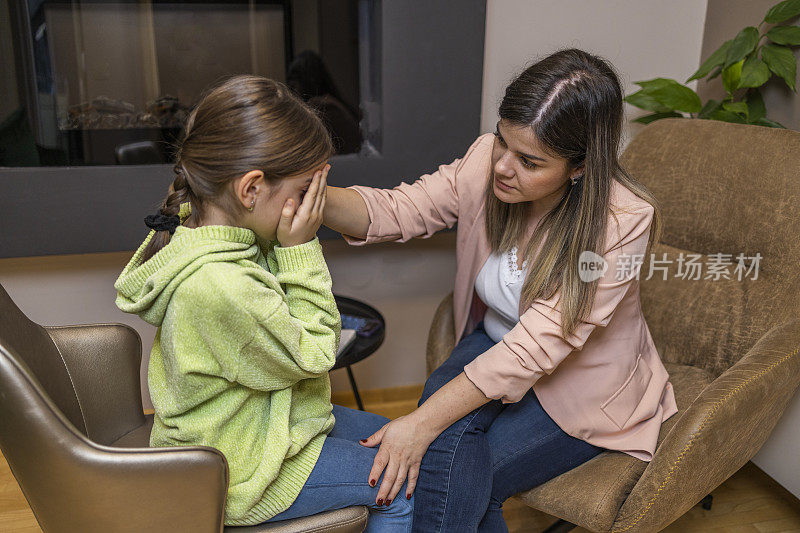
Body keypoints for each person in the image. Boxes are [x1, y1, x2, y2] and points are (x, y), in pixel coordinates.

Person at [322, 48, 679, 532]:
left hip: (582, 388)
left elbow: (535, 347)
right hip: (494, 340)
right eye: (501, 142)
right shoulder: (484, 163)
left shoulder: (622, 222)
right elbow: (398, 209)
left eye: (530, 161)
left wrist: (418, 424)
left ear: (579, 167)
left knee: (464, 474)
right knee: (449, 460)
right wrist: (307, 196)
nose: (503, 167)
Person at [113, 74, 413, 531]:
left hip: (260, 423)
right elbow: (316, 354)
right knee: (398, 486)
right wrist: (299, 248)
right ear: (251, 189)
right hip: (242, 467)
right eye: (300, 194)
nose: (311, 209)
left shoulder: (201, 231)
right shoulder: (220, 286)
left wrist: (284, 229)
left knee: (389, 437)